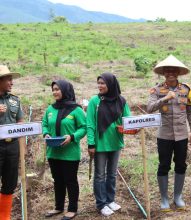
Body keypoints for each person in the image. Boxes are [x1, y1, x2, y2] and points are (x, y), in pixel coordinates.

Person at [147, 55, 191, 211]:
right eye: (167, 71)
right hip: (164, 135)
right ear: (163, 73)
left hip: (182, 135)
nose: (170, 73)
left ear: (178, 73)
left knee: (181, 165)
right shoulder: (156, 89)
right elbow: (149, 108)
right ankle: (164, 199)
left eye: (173, 71)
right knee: (164, 165)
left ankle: (178, 197)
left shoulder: (186, 89)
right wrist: (165, 98)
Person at [86, 72, 131, 217]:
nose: (100, 86)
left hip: (116, 142)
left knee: (112, 174)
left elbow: (128, 119)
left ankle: (110, 200)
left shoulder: (121, 101)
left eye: (103, 83)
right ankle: (101, 203)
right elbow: (90, 124)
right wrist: (91, 143)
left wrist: (130, 127)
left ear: (111, 84)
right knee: (100, 175)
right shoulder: (95, 101)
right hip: (100, 144)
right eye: (98, 83)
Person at [42, 80, 86, 220]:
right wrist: (46, 134)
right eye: (53, 89)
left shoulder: (76, 110)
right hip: (53, 152)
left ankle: (72, 209)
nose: (55, 92)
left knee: (70, 180)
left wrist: (72, 137)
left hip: (70, 153)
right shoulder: (50, 109)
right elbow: (44, 125)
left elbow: (84, 127)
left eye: (58, 89)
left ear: (65, 90)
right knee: (57, 180)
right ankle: (58, 207)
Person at [0, 65, 24, 220]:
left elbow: (21, 121)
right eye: (9, 79)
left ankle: (4, 217)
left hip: (12, 146)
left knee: (10, 183)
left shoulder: (15, 100)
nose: (11, 82)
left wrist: (22, 149)